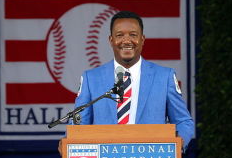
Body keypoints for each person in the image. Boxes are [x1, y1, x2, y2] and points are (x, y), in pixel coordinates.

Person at [75, 11, 194, 149]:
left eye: (133, 35)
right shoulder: (91, 78)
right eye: (119, 35)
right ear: (111, 40)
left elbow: (183, 122)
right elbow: (79, 124)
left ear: (142, 40)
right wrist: (69, 139)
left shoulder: (164, 76)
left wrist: (178, 144)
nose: (126, 40)